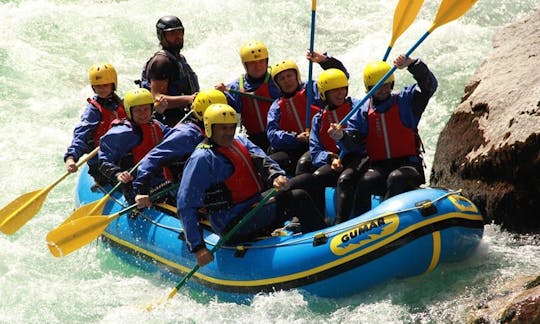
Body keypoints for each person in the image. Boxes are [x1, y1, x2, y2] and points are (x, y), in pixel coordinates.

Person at [177, 104, 326, 267]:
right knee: (298, 197)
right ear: (209, 129)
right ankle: (322, 247)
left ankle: (311, 227)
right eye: (222, 128)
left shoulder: (239, 141)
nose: (228, 133)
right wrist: (198, 247)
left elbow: (263, 160)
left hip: (253, 204)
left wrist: (276, 176)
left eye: (231, 127)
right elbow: (185, 204)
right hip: (233, 222)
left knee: (307, 180)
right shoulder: (202, 158)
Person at [329, 55, 438, 215]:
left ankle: (385, 220)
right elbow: (353, 142)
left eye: (387, 85)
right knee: (365, 181)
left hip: (408, 167)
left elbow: (429, 86)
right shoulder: (363, 111)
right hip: (380, 168)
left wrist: (412, 64)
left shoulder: (405, 101)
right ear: (369, 88)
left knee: (396, 177)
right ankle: (359, 226)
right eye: (378, 86)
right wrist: (341, 137)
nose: (383, 89)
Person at [133, 89, 228, 209]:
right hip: (183, 191)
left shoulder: (220, 131)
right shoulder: (186, 135)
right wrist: (141, 190)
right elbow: (152, 159)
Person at [266, 51, 347, 176]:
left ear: (296, 76)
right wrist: (295, 137)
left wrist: (324, 61)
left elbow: (340, 78)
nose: (287, 81)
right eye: (282, 79)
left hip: (320, 143)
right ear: (277, 84)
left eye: (289, 76)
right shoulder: (276, 106)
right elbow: (272, 134)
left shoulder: (313, 88)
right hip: (296, 146)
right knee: (271, 160)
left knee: (304, 163)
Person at [309, 68, 367, 224]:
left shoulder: (359, 106)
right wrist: (330, 157)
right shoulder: (318, 119)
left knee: (345, 179)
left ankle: (340, 224)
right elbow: (315, 153)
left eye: (343, 88)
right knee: (317, 177)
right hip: (337, 160)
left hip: (360, 156)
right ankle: (318, 222)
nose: (340, 93)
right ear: (324, 94)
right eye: (334, 90)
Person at [98, 88, 173, 204]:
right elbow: (103, 161)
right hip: (134, 186)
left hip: (160, 181)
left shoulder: (156, 125)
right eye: (138, 110)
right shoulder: (121, 133)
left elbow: (174, 137)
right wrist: (117, 174)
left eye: (146, 109)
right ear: (129, 111)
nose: (143, 114)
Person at [64, 63, 126, 186]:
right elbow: (81, 134)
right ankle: (100, 183)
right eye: (98, 86)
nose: (102, 89)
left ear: (113, 85)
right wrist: (71, 157)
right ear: (93, 87)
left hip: (121, 156)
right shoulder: (93, 111)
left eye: (105, 85)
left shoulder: (120, 103)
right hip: (101, 164)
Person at [215, 40, 281, 152]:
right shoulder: (236, 87)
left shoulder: (278, 78)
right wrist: (219, 94)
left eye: (261, 61)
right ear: (245, 65)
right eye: (252, 63)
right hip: (255, 139)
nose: (258, 66)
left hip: (279, 134)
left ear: (266, 61)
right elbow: (227, 109)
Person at [138, 15, 200, 127]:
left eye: (180, 32)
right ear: (162, 37)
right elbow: (156, 97)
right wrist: (188, 99)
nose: (178, 36)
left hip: (185, 117)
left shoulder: (179, 58)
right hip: (168, 123)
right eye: (172, 34)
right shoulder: (162, 62)